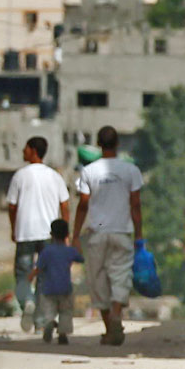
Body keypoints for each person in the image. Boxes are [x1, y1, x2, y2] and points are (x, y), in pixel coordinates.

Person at [71, 126, 143, 345]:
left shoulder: (89, 171)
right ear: (117, 144)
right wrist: (139, 235)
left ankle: (109, 327)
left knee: (98, 280)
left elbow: (83, 205)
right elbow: (136, 205)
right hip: (122, 232)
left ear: (99, 145)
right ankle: (115, 316)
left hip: (97, 234)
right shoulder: (130, 170)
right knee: (120, 277)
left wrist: (75, 235)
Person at [5, 136, 71, 334]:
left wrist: (13, 227)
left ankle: (27, 302)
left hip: (25, 232)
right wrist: (63, 232)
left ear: (33, 150)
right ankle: (41, 321)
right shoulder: (55, 176)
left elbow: (11, 206)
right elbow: (65, 206)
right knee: (44, 277)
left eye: (25, 148)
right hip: (49, 234)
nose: (23, 152)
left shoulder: (20, 176)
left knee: (23, 275)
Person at [27, 219, 80, 344]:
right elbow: (80, 258)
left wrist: (30, 276)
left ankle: (49, 322)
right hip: (65, 288)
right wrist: (76, 246)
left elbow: (39, 268)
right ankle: (62, 333)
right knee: (65, 311)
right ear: (67, 235)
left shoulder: (46, 251)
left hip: (48, 288)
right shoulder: (69, 251)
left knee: (49, 310)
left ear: (51, 234)